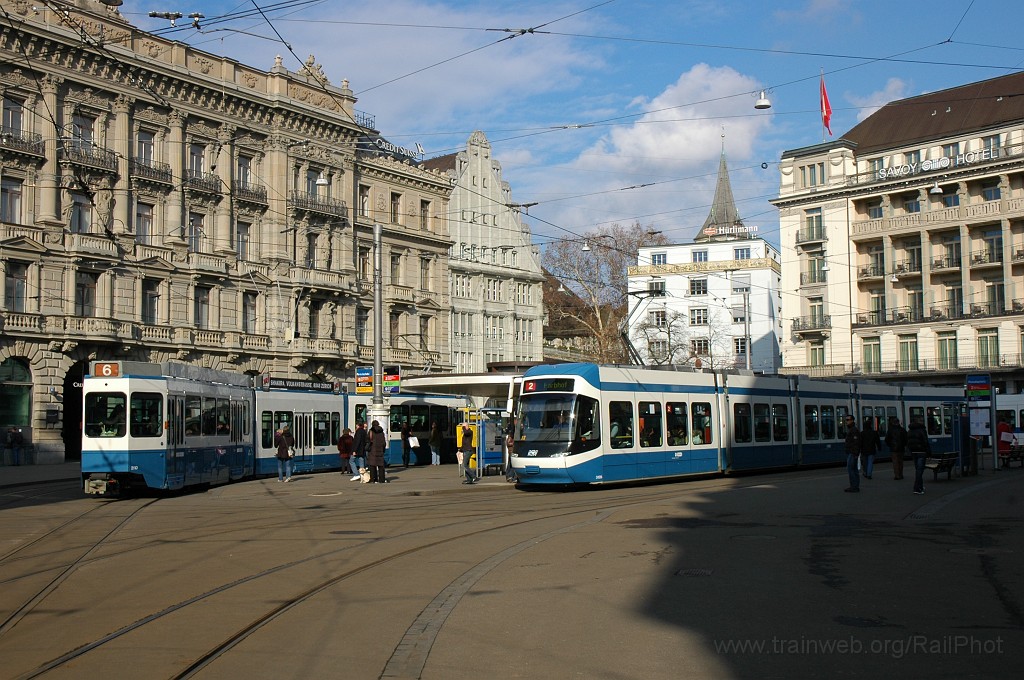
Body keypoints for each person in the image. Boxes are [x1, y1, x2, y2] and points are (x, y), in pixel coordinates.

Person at [907, 417, 931, 495]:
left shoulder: (910, 431)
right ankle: (917, 488)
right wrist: (929, 453)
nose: (923, 422)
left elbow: (908, 442)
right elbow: (925, 442)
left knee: (918, 469)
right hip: (921, 452)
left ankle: (920, 486)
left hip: (914, 452)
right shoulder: (922, 430)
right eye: (921, 420)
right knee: (920, 471)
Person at [843, 415, 862, 492]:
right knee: (854, 469)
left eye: (848, 420)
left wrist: (855, 453)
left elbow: (856, 443)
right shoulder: (852, 429)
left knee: (851, 469)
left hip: (853, 453)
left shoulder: (853, 430)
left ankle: (854, 486)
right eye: (846, 420)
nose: (847, 421)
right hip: (853, 452)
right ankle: (855, 486)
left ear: (852, 420)